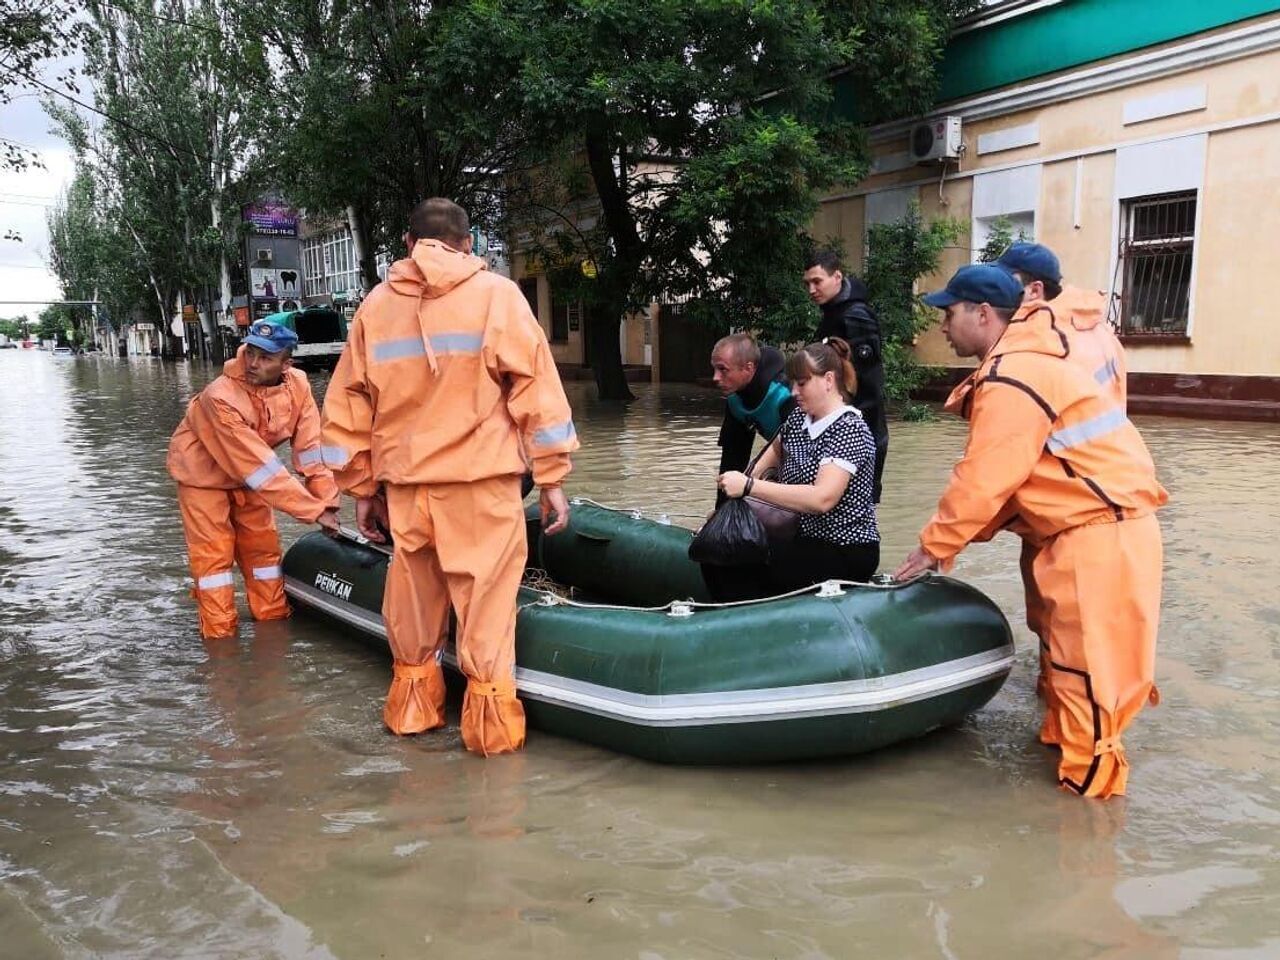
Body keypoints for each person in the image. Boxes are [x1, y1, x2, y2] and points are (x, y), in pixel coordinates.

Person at [894, 264, 1167, 799]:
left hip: (1096, 537)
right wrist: (947, 544)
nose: (941, 327)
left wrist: (933, 547)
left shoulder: (1013, 376)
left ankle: (1087, 823)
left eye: (948, 314)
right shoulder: (1031, 362)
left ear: (983, 314)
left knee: (1086, 680)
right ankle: (1067, 785)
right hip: (1094, 531)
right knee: (1069, 671)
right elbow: (1013, 481)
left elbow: (985, 479)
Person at [320, 197, 578, 757]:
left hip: (408, 489)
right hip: (481, 485)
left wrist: (360, 489)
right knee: (485, 608)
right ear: (469, 245)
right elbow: (538, 394)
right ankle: (490, 742)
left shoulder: (374, 308)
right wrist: (553, 478)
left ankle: (412, 720)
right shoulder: (497, 297)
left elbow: (345, 410)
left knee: (413, 603)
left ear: (408, 246)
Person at [995, 242, 1129, 720]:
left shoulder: (1046, 341)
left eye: (1003, 286)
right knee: (1066, 626)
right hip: (1086, 499)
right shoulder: (1099, 333)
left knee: (1068, 630)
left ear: (1033, 289)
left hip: (1071, 505)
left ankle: (1077, 753)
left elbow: (1021, 434)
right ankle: (1055, 700)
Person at [167, 318, 340, 639]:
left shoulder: (298, 385)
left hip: (253, 478)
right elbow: (258, 465)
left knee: (262, 552)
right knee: (214, 560)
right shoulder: (220, 396)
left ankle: (272, 627)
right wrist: (312, 511)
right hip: (203, 478)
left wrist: (328, 501)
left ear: (287, 364)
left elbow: (311, 450)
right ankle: (220, 639)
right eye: (251, 353)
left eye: (266, 358)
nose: (253, 363)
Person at [707, 337, 880, 601]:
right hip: (804, 538)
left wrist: (750, 487)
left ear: (829, 381)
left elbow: (822, 498)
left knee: (742, 566)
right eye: (792, 384)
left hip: (844, 548)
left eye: (802, 383)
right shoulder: (800, 417)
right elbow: (777, 449)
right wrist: (730, 504)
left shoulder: (849, 429)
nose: (794, 392)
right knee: (720, 551)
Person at [803, 249, 888, 501]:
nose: (811, 289)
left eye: (817, 281)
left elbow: (867, 383)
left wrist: (845, 425)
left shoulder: (854, 315)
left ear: (837, 277)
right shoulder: (834, 312)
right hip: (844, 426)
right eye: (807, 283)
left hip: (861, 429)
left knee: (857, 511)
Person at [710, 333, 795, 506]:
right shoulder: (735, 399)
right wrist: (721, 514)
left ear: (749, 368)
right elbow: (732, 462)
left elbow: (801, 462)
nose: (715, 378)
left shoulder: (786, 395)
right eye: (714, 369)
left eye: (723, 369)